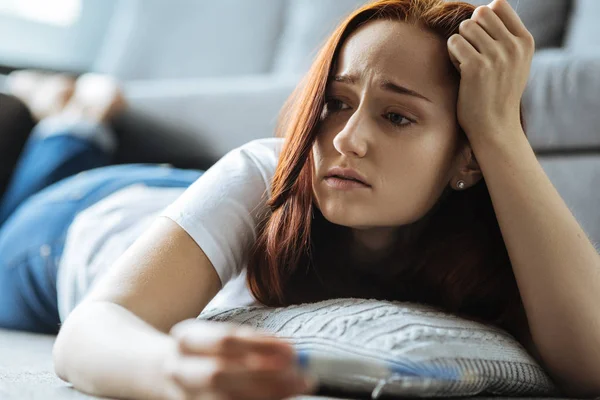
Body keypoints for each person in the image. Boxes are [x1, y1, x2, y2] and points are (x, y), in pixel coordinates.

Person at [1, 0, 599, 398]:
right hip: (77, 227)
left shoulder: (496, 218)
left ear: (466, 159)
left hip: (193, 208)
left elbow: (592, 364)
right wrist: (176, 373)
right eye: (335, 102)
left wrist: (499, 132)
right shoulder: (266, 169)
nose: (346, 138)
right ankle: (71, 122)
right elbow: (88, 333)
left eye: (396, 116)